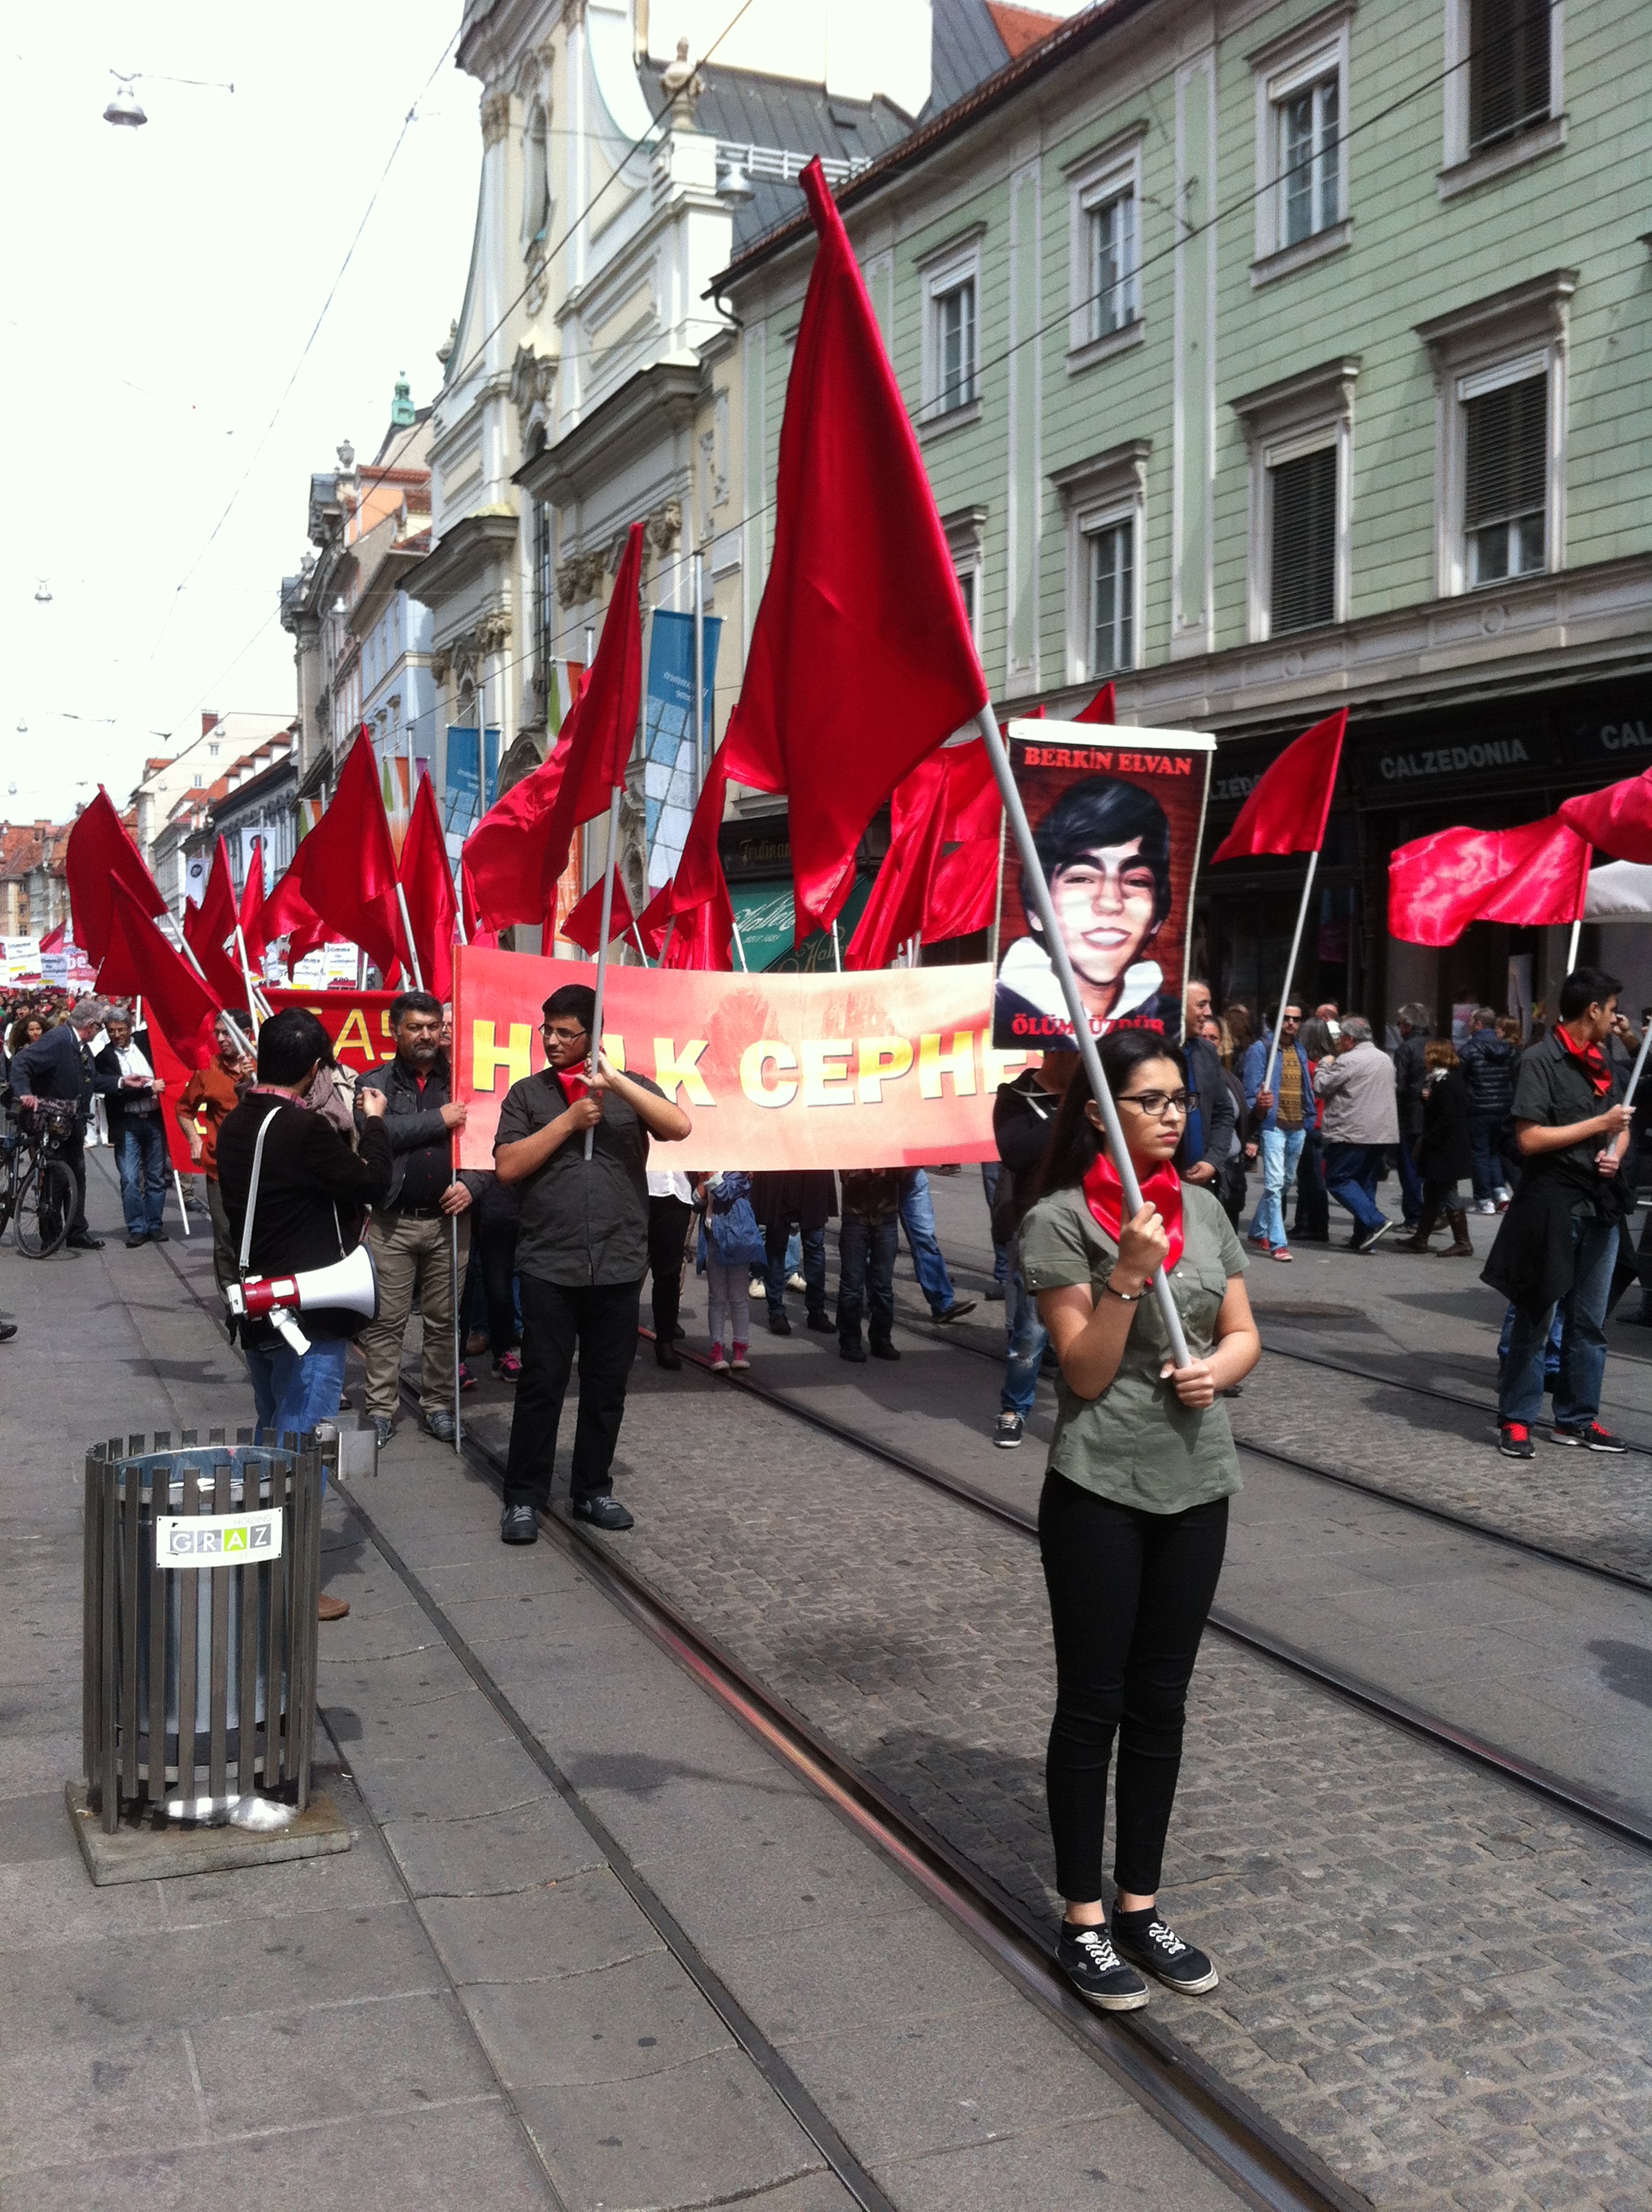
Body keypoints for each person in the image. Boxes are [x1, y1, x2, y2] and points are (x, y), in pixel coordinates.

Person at [1020, 1027, 1260, 2011]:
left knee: (1161, 1703)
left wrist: (1217, 1370)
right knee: (1094, 1703)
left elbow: (1244, 1333)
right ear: (1098, 1116)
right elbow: (1078, 1371)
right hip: (1100, 1491)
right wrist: (1124, 1273)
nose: (1171, 1114)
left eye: (1176, 1100)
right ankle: (1081, 1918)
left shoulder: (1202, 1210)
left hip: (1200, 1485)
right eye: (1150, 1100)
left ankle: (1137, 1905)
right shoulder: (1059, 1221)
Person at [493, 984, 692, 1543]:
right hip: (548, 1263)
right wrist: (566, 1124)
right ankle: (523, 1496)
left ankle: (592, 1489)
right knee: (543, 1381)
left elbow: (678, 1126)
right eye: (547, 1030)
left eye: (565, 1032)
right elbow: (508, 1166)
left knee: (606, 1384)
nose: (552, 1040)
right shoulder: (527, 1095)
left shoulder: (630, 1092)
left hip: (618, 1260)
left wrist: (616, 1082)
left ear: (592, 1036)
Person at [216, 1008, 392, 1618]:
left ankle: (261, 1563)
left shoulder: (240, 1119)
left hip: (261, 1308)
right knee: (300, 1452)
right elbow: (371, 1181)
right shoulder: (301, 1129)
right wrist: (372, 1122)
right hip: (307, 1315)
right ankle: (288, 1588)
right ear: (316, 1068)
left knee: (273, 1440)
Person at [1484, 966, 1632, 1459]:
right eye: (1611, 1009)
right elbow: (1529, 1139)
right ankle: (1518, 1419)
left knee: (1589, 1321)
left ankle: (1577, 1418)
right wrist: (1601, 1123)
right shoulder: (1539, 1060)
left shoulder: (1602, 1057)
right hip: (1552, 1202)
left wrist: (1617, 1148)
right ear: (1593, 1009)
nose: (1616, 1019)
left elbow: (1620, 1122)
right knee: (1537, 1311)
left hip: (1599, 1203)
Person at [352, 992, 473, 1447]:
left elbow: (486, 1139)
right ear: (394, 1029)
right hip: (392, 1223)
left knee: (445, 1321)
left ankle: (438, 1405)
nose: (427, 1035)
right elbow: (373, 1133)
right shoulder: (374, 1081)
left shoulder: (462, 1076)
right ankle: (381, 1409)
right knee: (386, 1320)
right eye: (415, 1027)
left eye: (433, 1026)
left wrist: (474, 1188)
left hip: (451, 1224)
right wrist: (439, 1119)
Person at [995, 777, 1182, 1045]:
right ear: (1036, 909)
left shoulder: (1167, 1021)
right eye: (1082, 878)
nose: (1109, 902)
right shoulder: (997, 1015)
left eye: (1136, 881)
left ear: (1157, 917)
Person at [990, 1051, 1078, 1444]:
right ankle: (1014, 1409)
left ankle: (1084, 1412)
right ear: (1053, 1049)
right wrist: (1069, 1110)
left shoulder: (1097, 1095)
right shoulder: (1016, 1096)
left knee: (1090, 1322)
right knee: (1030, 1330)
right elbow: (1016, 1152)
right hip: (1037, 1224)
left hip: (1088, 1221)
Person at [11, 998, 111, 1250]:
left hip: (73, 1120)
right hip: (52, 1119)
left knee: (77, 1175)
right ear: (90, 1025)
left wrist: (122, 1083)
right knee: (56, 1177)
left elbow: (91, 1080)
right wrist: (25, 1092)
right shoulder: (58, 1040)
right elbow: (22, 1062)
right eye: (99, 1026)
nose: (100, 1031)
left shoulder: (81, 1047)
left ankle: (77, 1230)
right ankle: (51, 1232)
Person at [177, 1015, 256, 1293]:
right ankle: (231, 1297)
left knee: (259, 1235)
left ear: (245, 1033)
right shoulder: (208, 1069)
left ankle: (258, 1294)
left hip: (260, 1167)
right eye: (217, 1033)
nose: (220, 1039)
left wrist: (253, 1081)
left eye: (226, 1033)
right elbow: (183, 1109)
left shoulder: (264, 1066)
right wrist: (194, 1140)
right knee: (225, 1237)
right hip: (220, 1166)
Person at [1314, 1016, 1400, 1252]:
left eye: (1342, 1037)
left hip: (1352, 1131)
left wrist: (1324, 1064)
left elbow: (1321, 1087)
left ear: (1350, 1039)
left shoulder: (1348, 1060)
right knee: (1364, 1182)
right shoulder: (1384, 1059)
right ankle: (1363, 1236)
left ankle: (1376, 1221)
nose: (1339, 1042)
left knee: (1338, 1179)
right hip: (1381, 1132)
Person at [1241, 1004, 1311, 1261]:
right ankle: (1278, 1242)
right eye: (1286, 1018)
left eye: (1296, 1019)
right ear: (1275, 1020)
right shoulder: (1261, 1050)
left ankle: (1258, 1230)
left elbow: (1305, 1087)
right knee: (1274, 1184)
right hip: (1273, 1126)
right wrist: (1254, 1133)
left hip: (1297, 1125)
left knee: (1286, 1182)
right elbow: (1250, 1095)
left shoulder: (1299, 1049)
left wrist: (1309, 1116)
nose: (1291, 1023)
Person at [96, 1007, 169, 1249]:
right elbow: (113, 1092)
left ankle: (155, 1224)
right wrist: (146, 1089)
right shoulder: (105, 1058)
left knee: (155, 1176)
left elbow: (162, 1023)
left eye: (121, 1029)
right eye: (111, 1031)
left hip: (154, 1119)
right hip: (127, 1122)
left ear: (130, 1027)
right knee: (129, 1177)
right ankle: (137, 1227)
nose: (117, 1035)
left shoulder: (146, 1044)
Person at [1394, 1040, 1475, 1255]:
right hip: (1442, 1147)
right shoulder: (1439, 1079)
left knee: (1448, 1193)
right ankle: (1421, 1238)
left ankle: (1463, 1241)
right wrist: (1425, 1099)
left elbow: (1446, 1118)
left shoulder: (1447, 1081)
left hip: (1445, 1149)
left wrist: (1430, 1138)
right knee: (1431, 1192)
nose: (1425, 1060)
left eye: (1427, 1056)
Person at [695, 1168, 766, 1370]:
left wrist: (709, 1175)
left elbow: (724, 1192)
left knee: (738, 1298)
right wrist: (701, 1182)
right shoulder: (708, 1169)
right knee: (716, 1298)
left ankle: (740, 1347)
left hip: (737, 1240)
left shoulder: (740, 1171)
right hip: (713, 1240)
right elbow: (696, 1202)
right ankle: (716, 1347)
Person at [752, 1169, 837, 1336]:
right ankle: (776, 1312)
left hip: (813, 1176)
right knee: (776, 1248)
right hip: (780, 1175)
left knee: (815, 1248)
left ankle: (816, 1310)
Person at [1178, 984, 1238, 1212]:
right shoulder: (1154, 1050)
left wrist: (1212, 1160)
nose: (1209, 1012)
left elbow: (1223, 1112)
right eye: (1201, 1004)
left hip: (1200, 1182)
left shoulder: (1206, 1052)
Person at [836, 1167, 904, 1363]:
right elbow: (848, 1178)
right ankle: (850, 1341)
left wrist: (888, 1168)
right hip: (855, 1218)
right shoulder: (851, 1142)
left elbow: (902, 1175)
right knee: (852, 1286)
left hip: (887, 1217)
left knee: (883, 1285)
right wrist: (872, 1170)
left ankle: (881, 1339)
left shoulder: (892, 1143)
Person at [1460, 1007, 1518, 1214]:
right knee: (1494, 1151)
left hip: (1478, 1108)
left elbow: (1461, 1078)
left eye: (1471, 1021)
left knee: (1479, 1153)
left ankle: (1484, 1199)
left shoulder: (1469, 1049)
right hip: (1503, 1107)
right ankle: (1500, 1193)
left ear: (1479, 1024)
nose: (1468, 1024)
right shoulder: (1509, 1049)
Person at [898, 1169, 976, 1324]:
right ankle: (873, 1300)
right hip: (879, 1176)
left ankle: (942, 1303)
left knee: (924, 1237)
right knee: (875, 1241)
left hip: (912, 1172)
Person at [1393, 1004, 1432, 1228]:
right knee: (1427, 1166)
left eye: (1400, 1023)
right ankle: (1431, 1210)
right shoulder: (1436, 1045)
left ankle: (1415, 1214)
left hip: (1411, 1115)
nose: (1399, 1028)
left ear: (1408, 1025)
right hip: (1432, 1114)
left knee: (1409, 1166)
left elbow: (1400, 1083)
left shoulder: (1406, 1049)